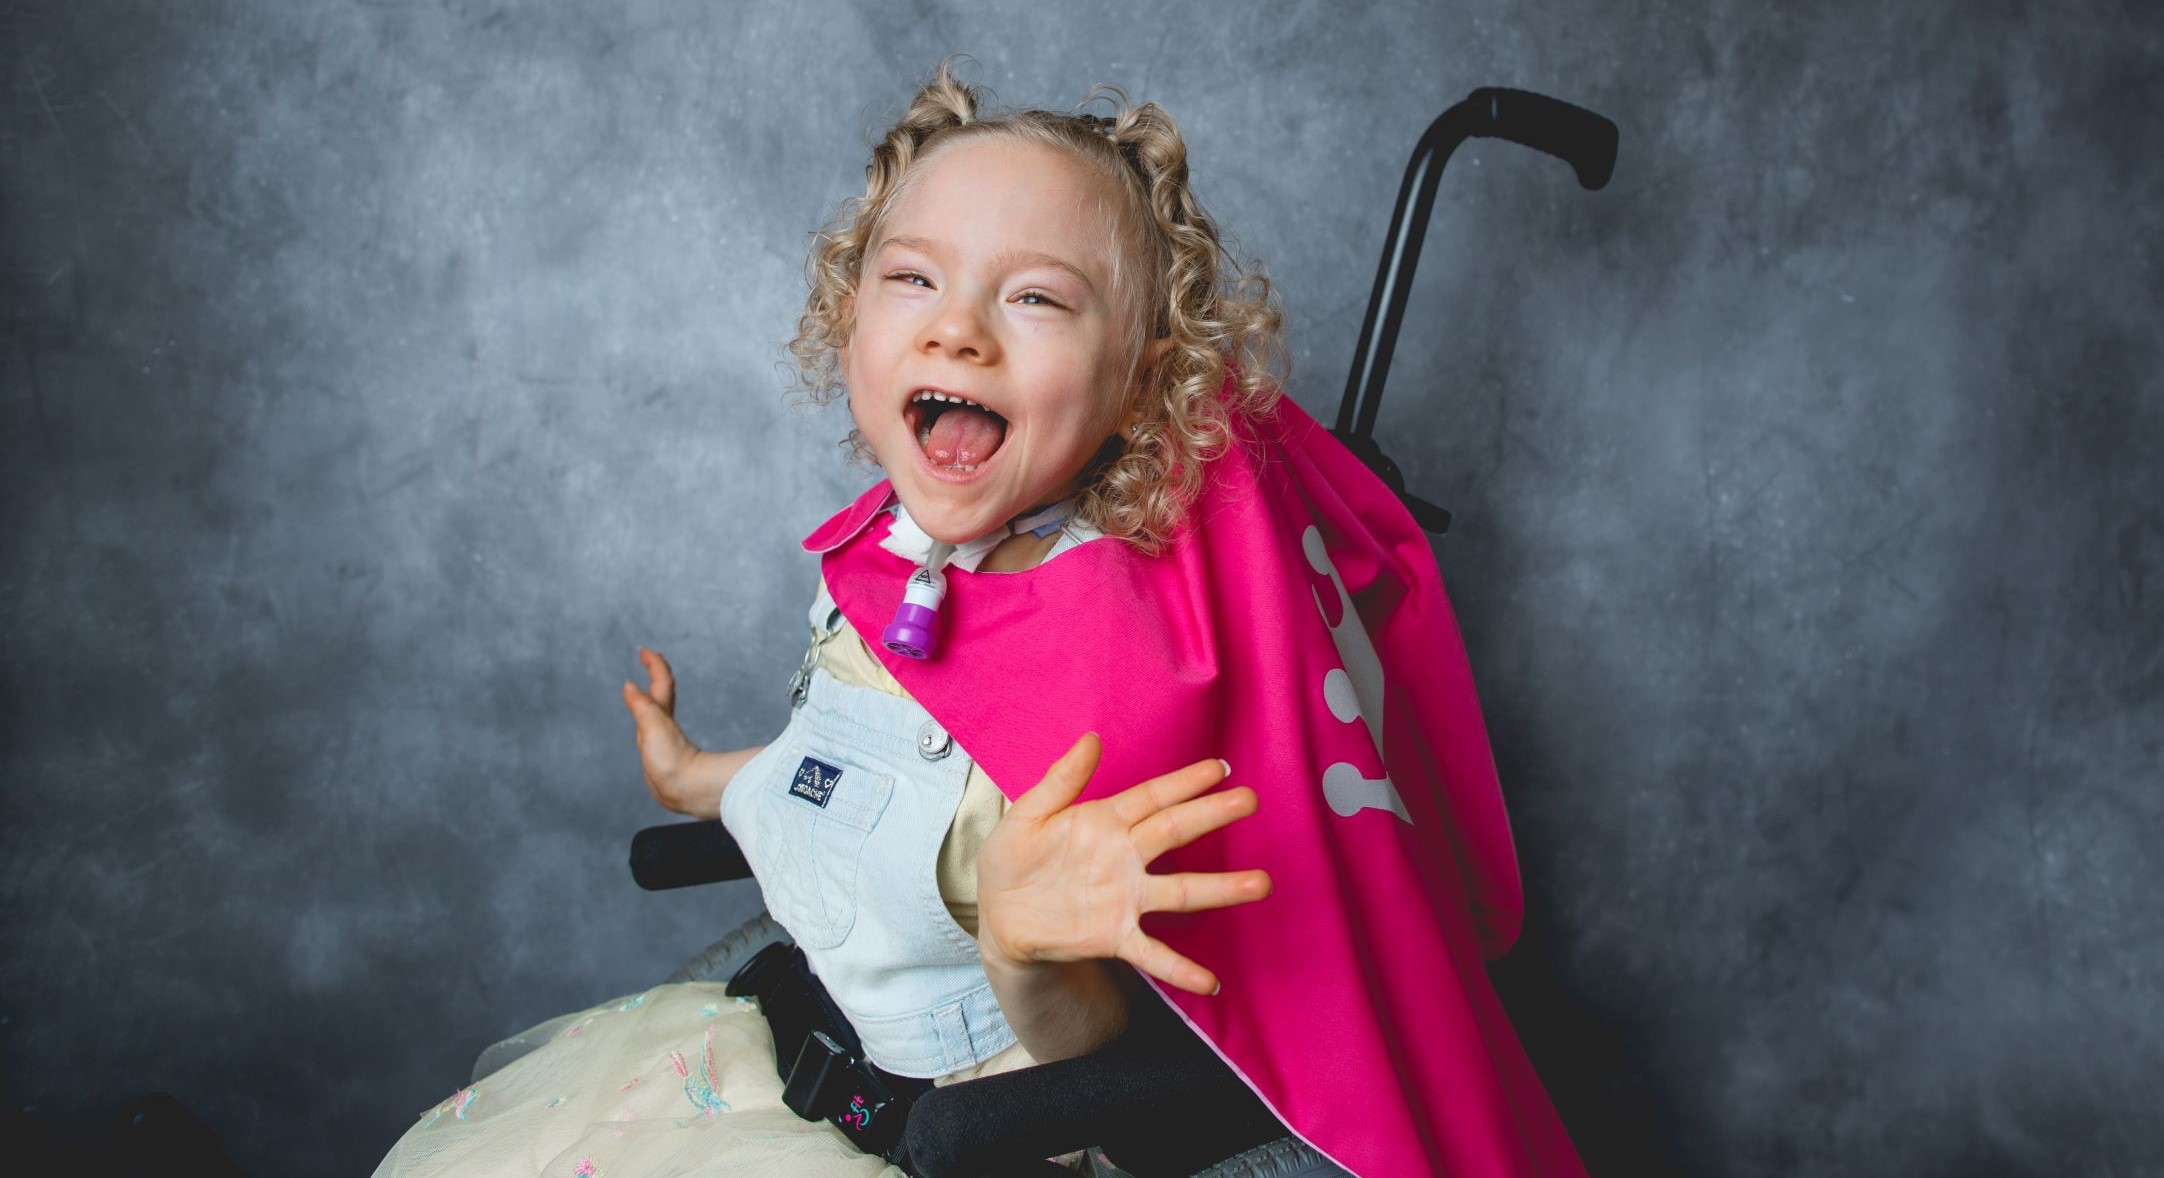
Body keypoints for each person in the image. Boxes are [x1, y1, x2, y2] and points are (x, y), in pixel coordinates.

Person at [375, 54, 1583, 1178]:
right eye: (912, 277)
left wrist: (1019, 942)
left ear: (1141, 376)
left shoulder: (1115, 662)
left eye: (1037, 299)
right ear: (850, 313)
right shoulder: (889, 552)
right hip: (798, 1051)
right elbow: (849, 776)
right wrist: (702, 777)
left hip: (966, 1104)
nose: (956, 325)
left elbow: (1095, 1050)